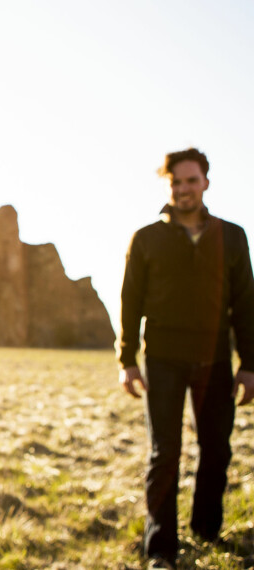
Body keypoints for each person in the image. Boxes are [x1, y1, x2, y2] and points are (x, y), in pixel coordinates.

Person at [117, 147, 254, 569]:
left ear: (206, 183)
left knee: (217, 448)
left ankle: (207, 528)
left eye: (191, 181)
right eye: (175, 182)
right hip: (162, 358)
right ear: (168, 186)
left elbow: (245, 304)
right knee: (165, 451)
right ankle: (160, 546)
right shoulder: (146, 238)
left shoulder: (231, 236)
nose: (183, 189)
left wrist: (249, 364)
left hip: (214, 360)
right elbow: (130, 300)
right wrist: (127, 360)